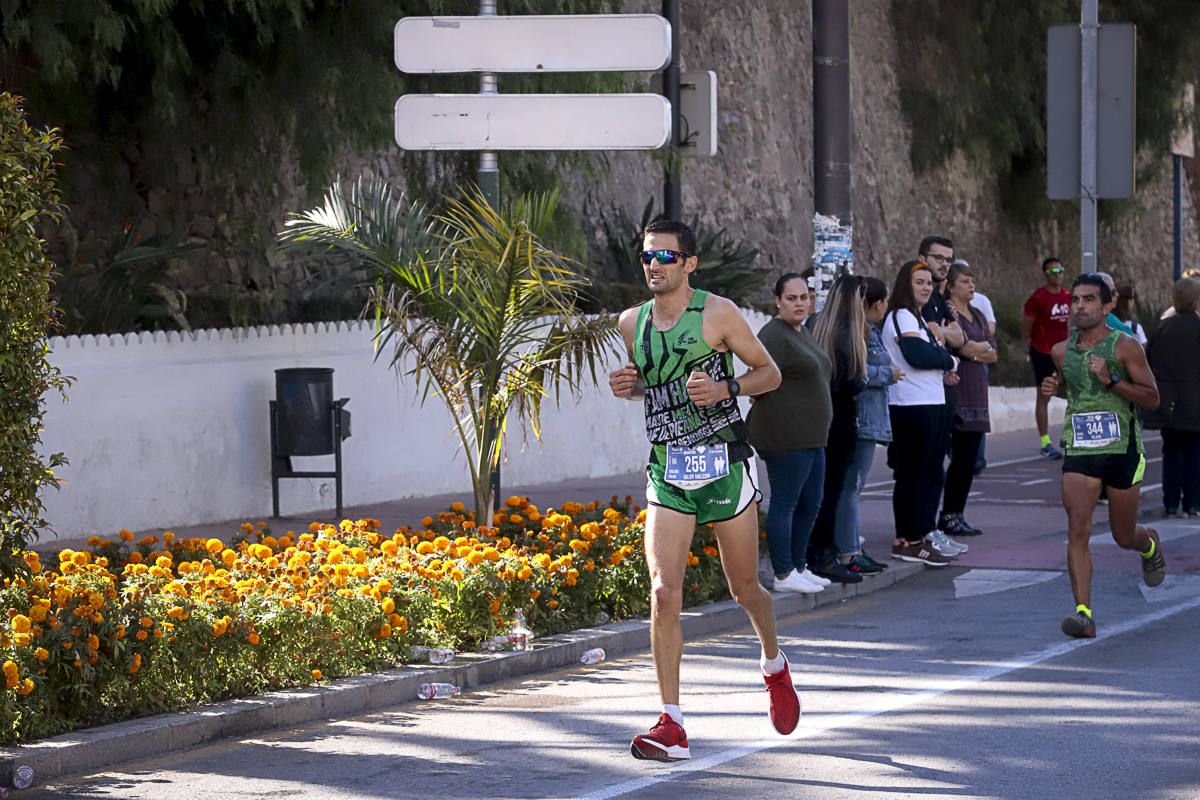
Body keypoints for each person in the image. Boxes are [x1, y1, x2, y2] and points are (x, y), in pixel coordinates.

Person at [608, 218, 799, 761]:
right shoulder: (631, 323)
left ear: (690, 264)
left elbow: (770, 373)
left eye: (666, 257)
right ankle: (672, 723)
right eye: (648, 256)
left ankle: (773, 664)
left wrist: (726, 387)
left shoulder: (717, 314)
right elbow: (657, 387)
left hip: (723, 466)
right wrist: (634, 387)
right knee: (664, 592)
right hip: (668, 469)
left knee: (744, 590)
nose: (654, 266)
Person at [1040, 273, 1164, 639]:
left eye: (1089, 300)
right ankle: (1084, 615)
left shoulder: (1125, 347)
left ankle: (1148, 543)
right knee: (1078, 527)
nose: (1080, 306)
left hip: (1122, 449)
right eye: (1076, 300)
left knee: (1123, 535)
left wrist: (1113, 381)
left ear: (1107, 305)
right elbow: (1076, 393)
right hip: (1080, 450)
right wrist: (1056, 388)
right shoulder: (1061, 351)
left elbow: (1152, 398)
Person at [747, 273, 834, 595]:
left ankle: (798, 566)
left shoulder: (802, 331)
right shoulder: (774, 335)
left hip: (812, 436)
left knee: (811, 503)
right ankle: (783, 574)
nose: (800, 303)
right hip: (785, 437)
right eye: (792, 298)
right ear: (778, 301)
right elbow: (756, 376)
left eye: (804, 298)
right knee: (786, 503)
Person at [808, 275, 894, 579]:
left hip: (820, 415)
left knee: (819, 489)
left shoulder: (816, 325)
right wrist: (884, 374)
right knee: (835, 489)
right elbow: (855, 380)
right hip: (843, 418)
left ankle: (814, 554)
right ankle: (828, 555)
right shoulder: (849, 334)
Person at [882, 259, 961, 565]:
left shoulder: (915, 318)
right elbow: (917, 355)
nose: (927, 287)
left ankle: (916, 537)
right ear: (906, 284)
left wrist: (940, 358)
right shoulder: (901, 315)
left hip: (927, 403)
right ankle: (907, 540)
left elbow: (932, 352)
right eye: (920, 282)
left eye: (929, 283)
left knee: (926, 474)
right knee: (912, 476)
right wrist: (949, 361)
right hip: (911, 406)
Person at [938, 262, 997, 537]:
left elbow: (992, 352)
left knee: (969, 461)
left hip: (977, 396)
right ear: (950, 286)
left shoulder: (977, 315)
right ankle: (946, 515)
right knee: (953, 460)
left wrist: (972, 351)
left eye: (972, 281)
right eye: (965, 281)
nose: (971, 285)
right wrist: (974, 351)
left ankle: (957, 513)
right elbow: (955, 345)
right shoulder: (947, 312)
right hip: (955, 393)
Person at [1144, 277, 1200, 518]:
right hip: (1195, 401)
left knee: (1172, 453)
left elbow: (1150, 361)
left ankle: (1170, 503)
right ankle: (1193, 503)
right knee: (1194, 454)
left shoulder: (1162, 328)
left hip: (1167, 402)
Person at [1023, 257, 1071, 458]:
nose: (1058, 275)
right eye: (1053, 272)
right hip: (1042, 351)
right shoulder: (1038, 298)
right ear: (1045, 275)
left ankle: (1069, 436)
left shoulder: (1069, 296)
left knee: (1073, 392)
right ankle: (1045, 442)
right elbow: (1026, 329)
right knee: (1044, 396)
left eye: (1060, 270)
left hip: (1065, 351)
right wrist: (1032, 349)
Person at [918, 236, 965, 349]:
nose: (945, 264)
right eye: (939, 258)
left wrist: (940, 330)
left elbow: (960, 339)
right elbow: (937, 339)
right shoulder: (919, 294)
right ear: (921, 259)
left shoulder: (937, 296)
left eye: (949, 260)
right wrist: (944, 331)